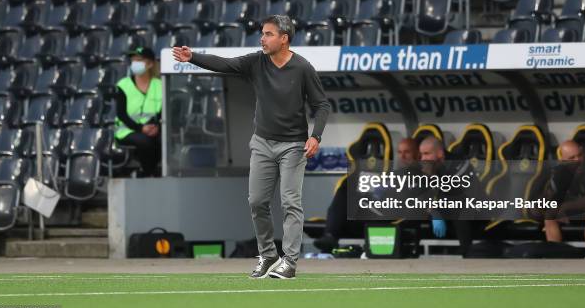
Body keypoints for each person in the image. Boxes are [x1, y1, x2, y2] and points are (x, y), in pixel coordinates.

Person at [172, 15, 330, 279]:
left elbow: (322, 105)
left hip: (293, 146)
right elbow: (226, 64)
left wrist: (316, 136)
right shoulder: (256, 61)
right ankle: (268, 255)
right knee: (257, 202)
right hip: (262, 143)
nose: (262, 38)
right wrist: (193, 57)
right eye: (262, 33)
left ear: (284, 38)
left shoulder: (302, 68)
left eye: (268, 34)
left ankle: (289, 261)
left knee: (291, 202)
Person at [314, 138, 421, 252]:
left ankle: (330, 236)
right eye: (400, 152)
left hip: (392, 218)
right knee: (347, 188)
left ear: (417, 155)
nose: (402, 156)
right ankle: (329, 237)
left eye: (407, 152)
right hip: (371, 213)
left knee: (349, 196)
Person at [419, 136, 477, 257]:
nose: (423, 158)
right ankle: (414, 253)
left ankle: (468, 256)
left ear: (440, 153)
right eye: (421, 154)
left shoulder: (459, 163)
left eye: (427, 154)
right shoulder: (428, 167)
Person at [544, 140, 585, 257]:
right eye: (571, 157)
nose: (577, 160)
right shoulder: (558, 173)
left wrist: (565, 206)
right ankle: (555, 255)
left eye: (579, 155)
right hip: (576, 209)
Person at [115, 46, 162, 177]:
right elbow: (121, 114)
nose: (135, 63)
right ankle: (147, 173)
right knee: (145, 141)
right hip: (128, 130)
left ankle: (146, 172)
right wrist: (141, 128)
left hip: (153, 128)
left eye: (139, 60)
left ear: (150, 64)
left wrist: (155, 126)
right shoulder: (123, 85)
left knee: (161, 141)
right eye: (133, 60)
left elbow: (162, 112)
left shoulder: (159, 85)